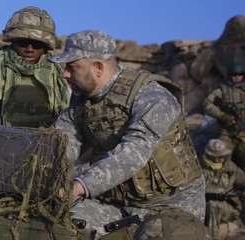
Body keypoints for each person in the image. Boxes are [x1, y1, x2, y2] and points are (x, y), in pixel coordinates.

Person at [49, 30, 206, 238]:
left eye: (73, 66)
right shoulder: (80, 102)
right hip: (118, 204)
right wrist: (51, 176)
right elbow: (62, 143)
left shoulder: (153, 96)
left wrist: (80, 186)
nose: (65, 74)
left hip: (170, 205)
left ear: (98, 67)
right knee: (59, 224)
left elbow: (133, 153)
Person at [0, 6, 69, 128]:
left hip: (45, 140)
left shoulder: (57, 74)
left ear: (46, 47)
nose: (29, 49)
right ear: (13, 42)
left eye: (36, 44)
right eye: (23, 43)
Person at [203, 62, 245, 171]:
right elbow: (207, 104)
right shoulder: (222, 90)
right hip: (226, 133)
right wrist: (222, 115)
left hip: (242, 133)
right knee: (218, 157)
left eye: (239, 75)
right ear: (230, 76)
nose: (237, 77)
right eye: (234, 75)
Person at [201, 139, 245, 239]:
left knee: (213, 206)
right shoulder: (201, 170)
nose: (219, 159)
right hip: (204, 206)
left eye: (221, 156)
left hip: (228, 206)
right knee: (212, 205)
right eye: (216, 157)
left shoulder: (231, 168)